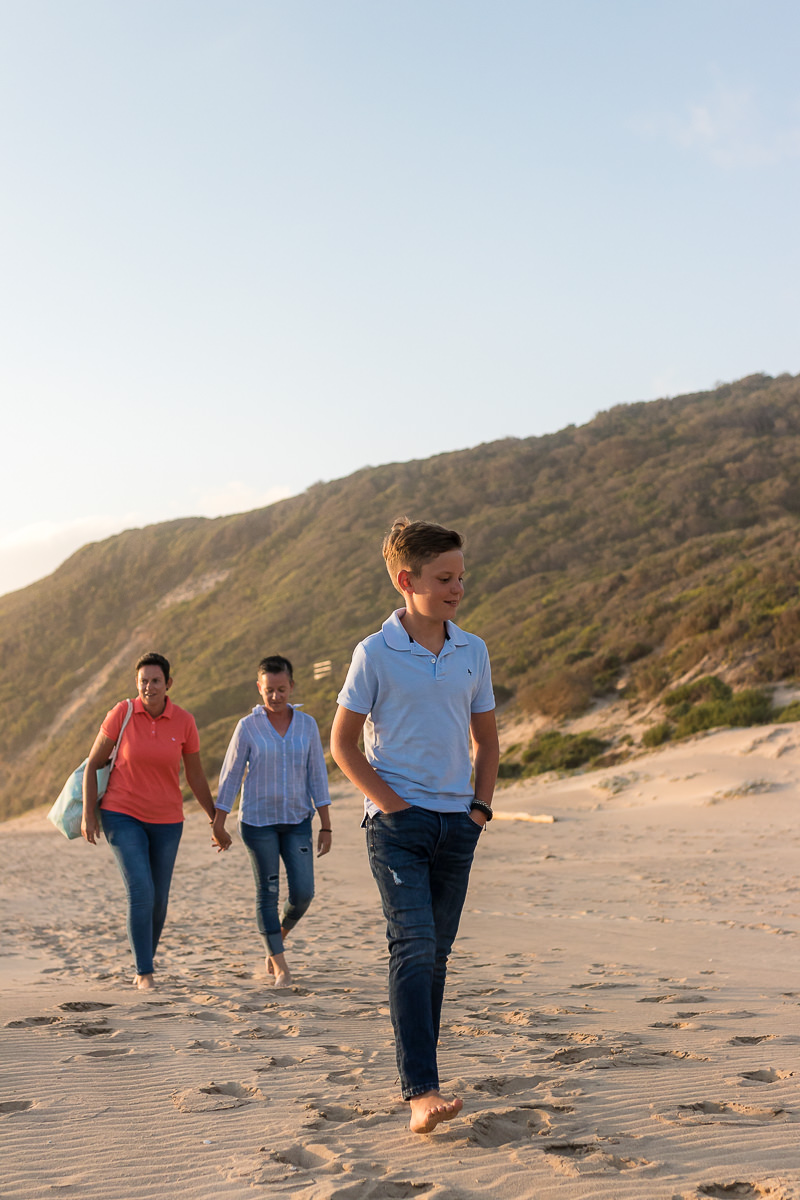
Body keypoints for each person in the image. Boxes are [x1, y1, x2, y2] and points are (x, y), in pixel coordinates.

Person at [330, 517, 499, 1134]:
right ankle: (420, 1093)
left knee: (437, 957)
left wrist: (479, 809)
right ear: (407, 580)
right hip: (397, 827)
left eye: (461, 575)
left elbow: (487, 738)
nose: (458, 587)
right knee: (415, 946)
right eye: (444, 577)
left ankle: (423, 1082)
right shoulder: (374, 653)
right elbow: (343, 743)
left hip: (458, 824)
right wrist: (392, 805)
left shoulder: (472, 649)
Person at [82, 652, 230, 991]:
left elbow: (195, 776)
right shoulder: (121, 713)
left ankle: (145, 957)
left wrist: (215, 820)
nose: (149, 687)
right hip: (121, 814)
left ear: (168, 684)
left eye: (155, 681)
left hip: (167, 819)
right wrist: (90, 814)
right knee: (141, 890)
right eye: (143, 681)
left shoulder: (184, 722)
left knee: (159, 898)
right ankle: (144, 972)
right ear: (137, 684)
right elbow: (93, 765)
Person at [213, 655, 332, 989]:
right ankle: (281, 967)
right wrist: (218, 823)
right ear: (259, 688)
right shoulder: (247, 727)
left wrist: (326, 824)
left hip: (297, 820)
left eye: (282, 689)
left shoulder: (307, 725)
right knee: (267, 891)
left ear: (292, 686)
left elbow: (317, 776)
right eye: (269, 690)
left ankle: (275, 938)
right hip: (258, 822)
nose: (276, 696)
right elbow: (231, 776)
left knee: (303, 892)